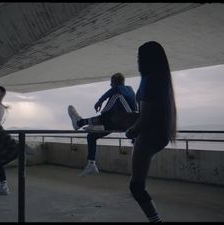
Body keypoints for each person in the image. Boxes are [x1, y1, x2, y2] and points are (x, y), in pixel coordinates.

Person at [125, 41, 177, 223]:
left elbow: (144, 118)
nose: (138, 61)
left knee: (136, 187)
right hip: (159, 134)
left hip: (148, 135)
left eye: (140, 57)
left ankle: (156, 221)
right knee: (137, 186)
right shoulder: (161, 79)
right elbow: (148, 112)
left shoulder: (149, 80)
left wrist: (131, 131)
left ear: (147, 59)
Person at [68, 73, 139, 177]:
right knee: (91, 136)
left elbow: (113, 92)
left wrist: (99, 102)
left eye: (111, 84)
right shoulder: (126, 93)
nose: (110, 86)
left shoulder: (121, 91)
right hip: (117, 123)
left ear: (114, 83)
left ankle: (81, 122)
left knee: (110, 106)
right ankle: (91, 164)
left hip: (127, 121)